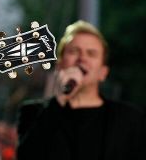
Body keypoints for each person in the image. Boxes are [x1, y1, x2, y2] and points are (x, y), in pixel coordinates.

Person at [17, 20, 146, 159]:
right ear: (59, 66)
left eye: (91, 54)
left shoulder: (129, 119)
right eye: (74, 51)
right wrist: (60, 99)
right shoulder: (34, 112)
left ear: (103, 72)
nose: (82, 58)